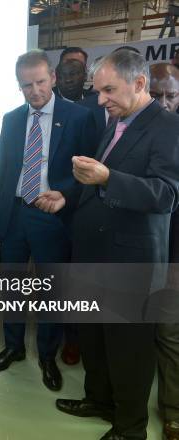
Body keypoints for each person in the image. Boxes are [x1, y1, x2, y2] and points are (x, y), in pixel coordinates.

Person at [36, 49, 179, 440]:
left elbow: (167, 194)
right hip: (94, 255)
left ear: (139, 84)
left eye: (109, 91)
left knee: (129, 351)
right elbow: (96, 184)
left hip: (130, 264)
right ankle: (99, 400)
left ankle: (129, 427)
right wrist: (69, 199)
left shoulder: (168, 127)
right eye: (98, 92)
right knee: (95, 339)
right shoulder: (118, 120)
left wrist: (107, 178)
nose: (101, 101)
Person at [0, 49, 97, 391]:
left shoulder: (78, 117)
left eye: (39, 82)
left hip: (53, 216)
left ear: (52, 77)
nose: (34, 91)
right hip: (15, 212)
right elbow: (3, 170)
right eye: (26, 85)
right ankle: (14, 347)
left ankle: (48, 355)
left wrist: (66, 197)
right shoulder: (12, 119)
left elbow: (88, 172)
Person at [150, 62, 179, 440]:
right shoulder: (128, 130)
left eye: (170, 95)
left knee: (170, 334)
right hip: (138, 254)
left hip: (173, 255)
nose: (163, 103)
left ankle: (172, 410)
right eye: (155, 95)